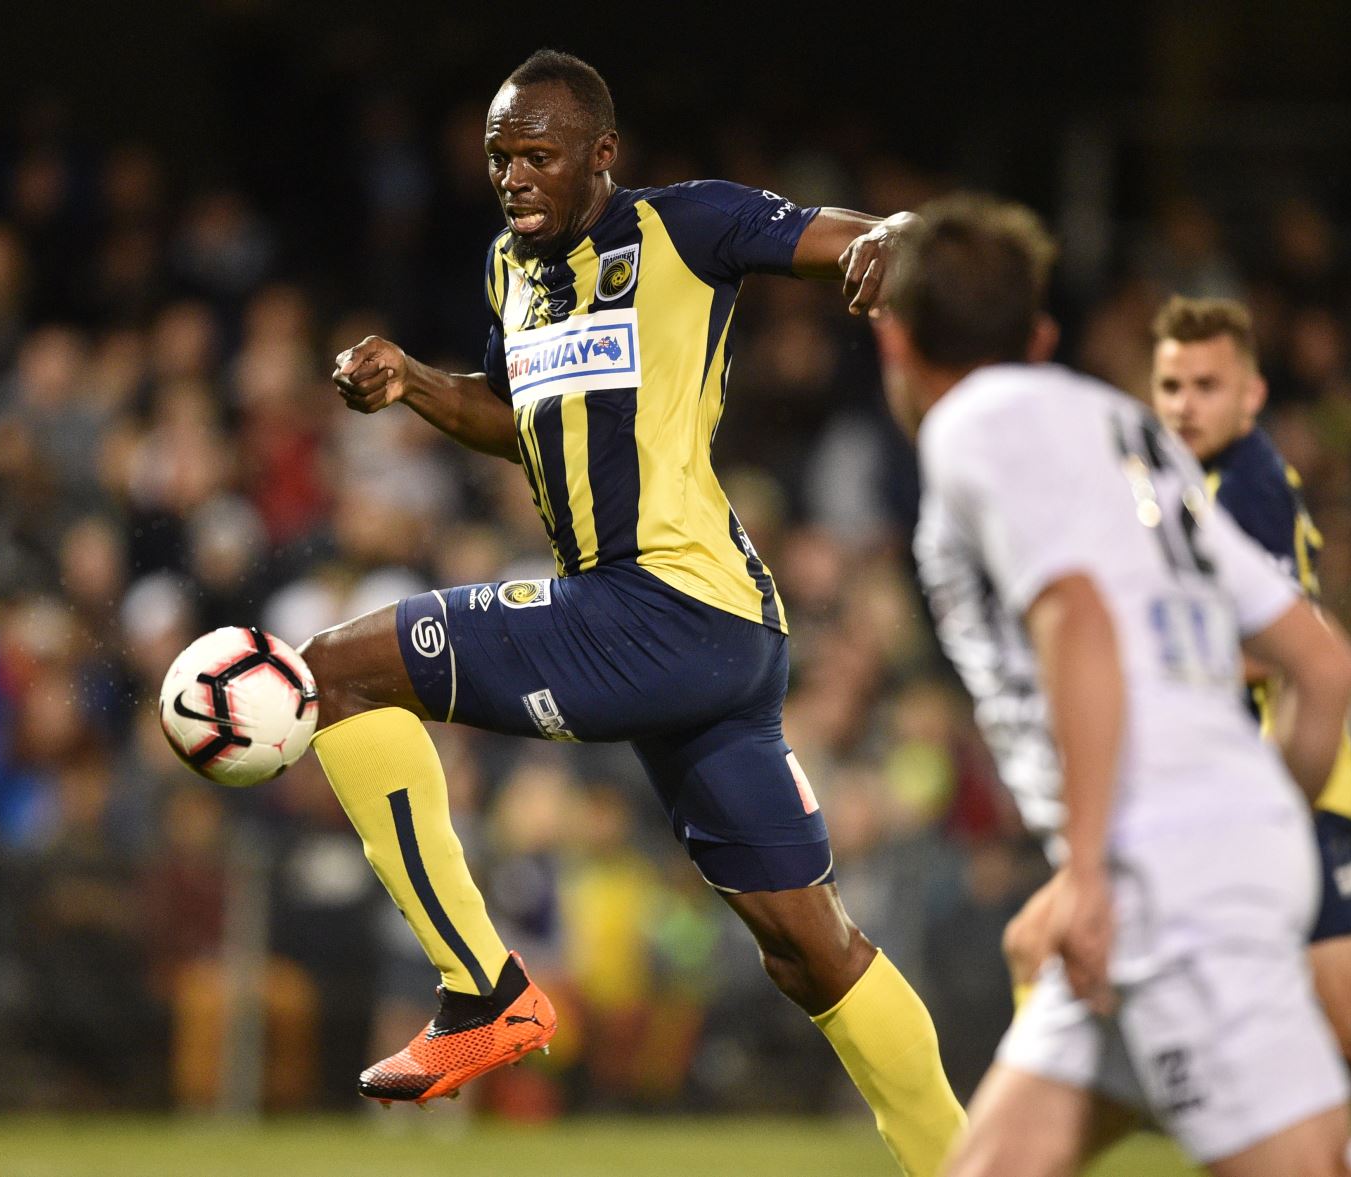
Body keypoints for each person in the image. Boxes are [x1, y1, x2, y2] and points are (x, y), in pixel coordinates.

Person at [293, 49, 965, 1173]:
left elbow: (837, 232)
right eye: (501, 156)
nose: (514, 176)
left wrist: (896, 231)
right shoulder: (511, 270)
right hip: (714, 632)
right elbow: (519, 418)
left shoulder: (685, 227)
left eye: (540, 155)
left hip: (666, 601)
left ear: (602, 155)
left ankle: (481, 990)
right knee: (806, 945)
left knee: (331, 668)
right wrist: (412, 382)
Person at [876, 191, 1351, 1177]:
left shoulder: (975, 425)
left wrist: (1096, 867)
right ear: (1041, 331)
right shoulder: (1120, 426)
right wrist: (1251, 821)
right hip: (1182, 853)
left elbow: (1078, 621)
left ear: (894, 341)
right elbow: (1325, 661)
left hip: (1156, 878)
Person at [999, 295, 1351, 1065]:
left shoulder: (1247, 485)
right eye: (1172, 387)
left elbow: (1285, 647)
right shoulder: (1189, 484)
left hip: (1276, 762)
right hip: (1237, 774)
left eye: (1207, 386)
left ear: (1252, 394)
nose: (1185, 406)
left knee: (1045, 942)